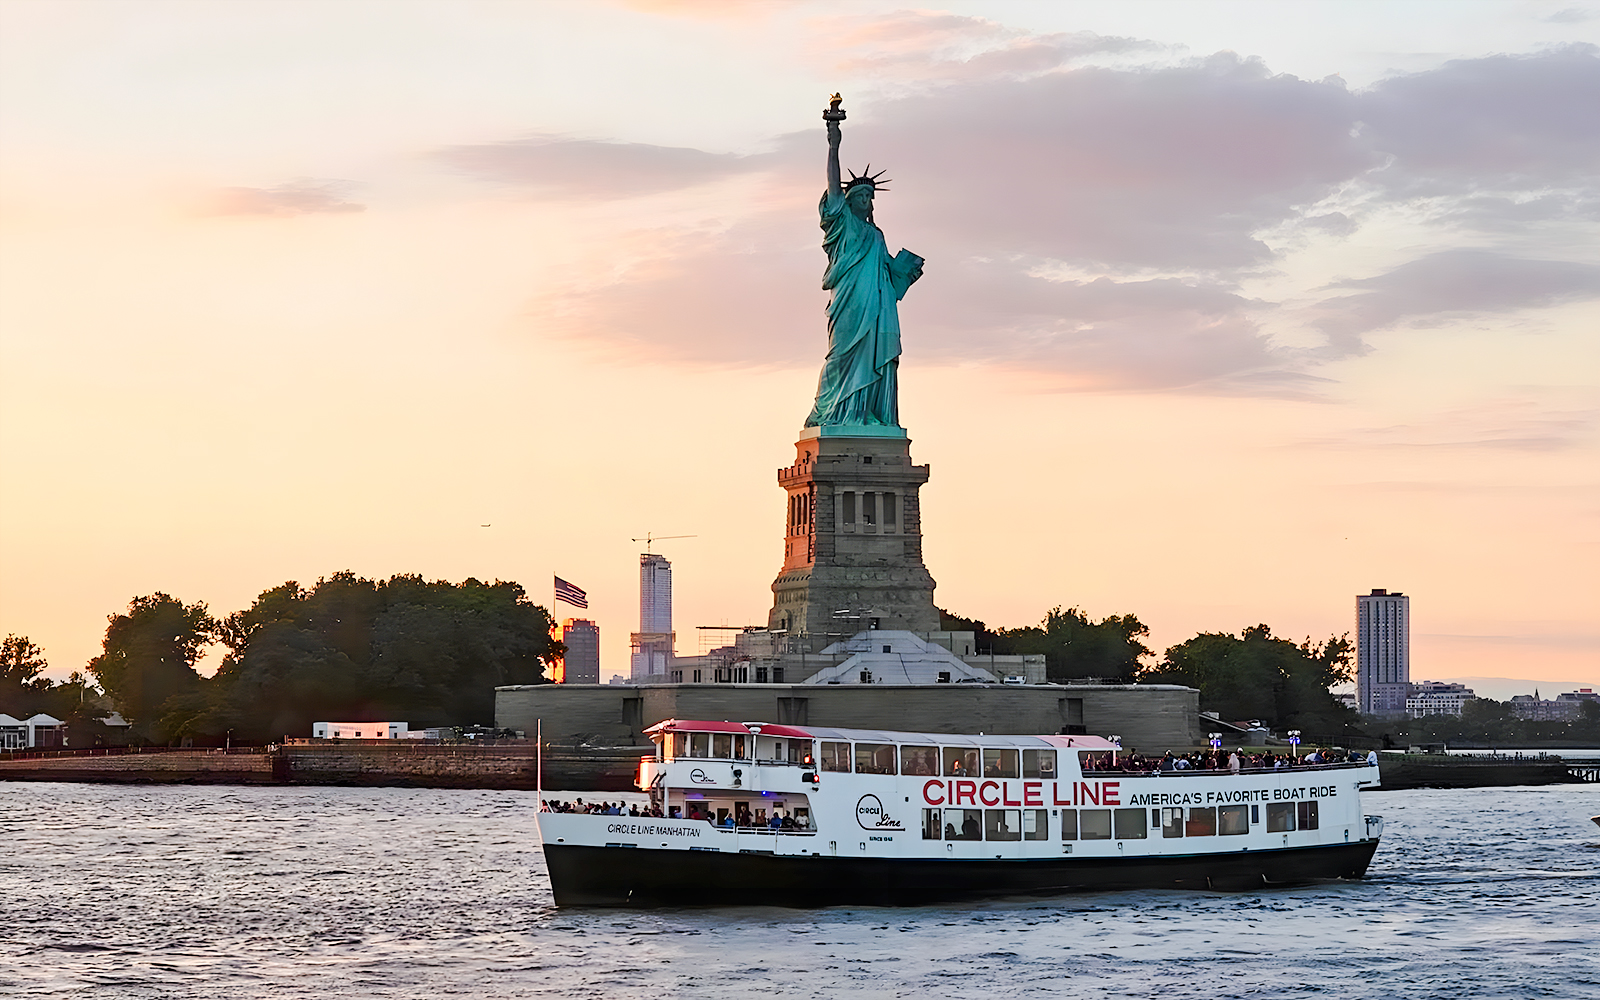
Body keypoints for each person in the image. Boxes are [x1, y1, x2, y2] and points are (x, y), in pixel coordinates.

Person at [805, 98, 923, 430]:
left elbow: (889, 275)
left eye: (870, 197)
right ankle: (831, 412)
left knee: (874, 356)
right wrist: (833, 141)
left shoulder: (876, 235)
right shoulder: (842, 224)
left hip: (877, 304)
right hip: (850, 301)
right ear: (849, 201)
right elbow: (832, 184)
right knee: (840, 356)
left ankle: (867, 414)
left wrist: (906, 271)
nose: (866, 200)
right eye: (861, 196)